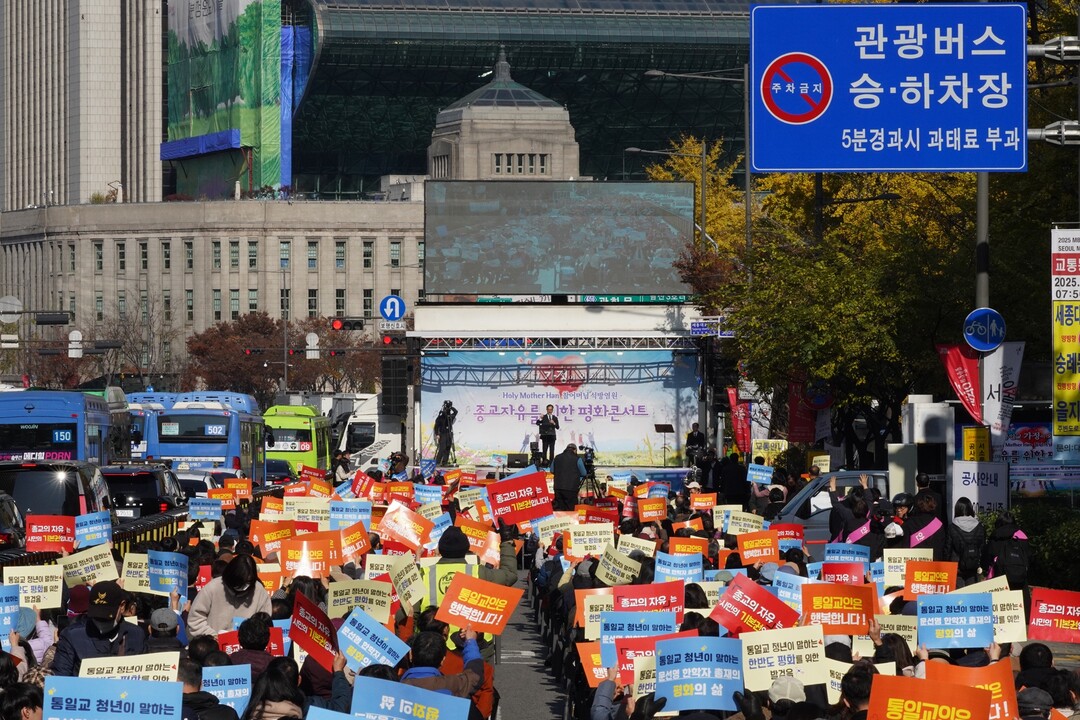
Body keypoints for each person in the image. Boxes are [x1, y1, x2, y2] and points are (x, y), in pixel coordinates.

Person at [51, 580, 148, 676]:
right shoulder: (72, 636)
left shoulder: (136, 635)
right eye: (96, 616)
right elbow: (60, 679)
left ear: (122, 606)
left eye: (106, 618)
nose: (101, 622)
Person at [187, 554, 272, 637]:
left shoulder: (259, 591)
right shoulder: (213, 587)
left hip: (246, 646)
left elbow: (264, 622)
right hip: (213, 645)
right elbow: (195, 620)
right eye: (240, 583)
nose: (244, 587)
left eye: (248, 582)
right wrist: (213, 636)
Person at [401, 629, 485, 702]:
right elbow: (474, 676)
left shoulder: (393, 686)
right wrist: (470, 642)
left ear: (411, 654)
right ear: (442, 660)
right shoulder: (451, 684)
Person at [944, 496, 987, 587]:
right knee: (972, 595)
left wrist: (946, 565)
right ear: (971, 509)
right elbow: (983, 548)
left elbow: (948, 549)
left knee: (959, 596)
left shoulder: (952, 527)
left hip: (957, 566)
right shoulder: (979, 527)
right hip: (973, 565)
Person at [552, 443, 586, 511]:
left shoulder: (557, 457)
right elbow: (584, 473)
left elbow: (551, 470)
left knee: (559, 509)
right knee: (570, 510)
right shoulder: (577, 459)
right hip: (571, 488)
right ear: (575, 450)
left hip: (558, 487)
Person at [434, 401, 458, 466]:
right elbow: (436, 427)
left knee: (448, 448)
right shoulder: (440, 417)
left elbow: (456, 411)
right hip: (443, 434)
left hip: (449, 434)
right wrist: (437, 434)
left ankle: (445, 462)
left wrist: (450, 407)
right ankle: (437, 462)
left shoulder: (450, 416)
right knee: (442, 448)